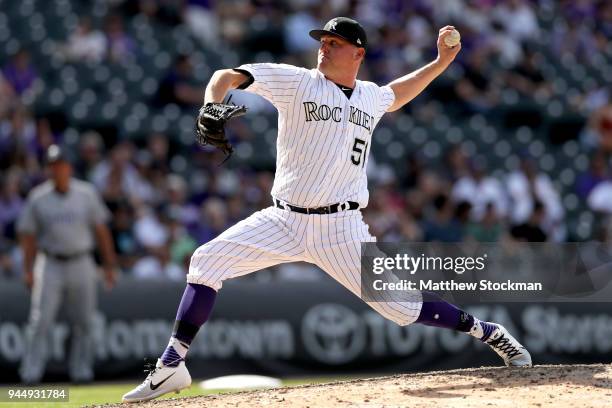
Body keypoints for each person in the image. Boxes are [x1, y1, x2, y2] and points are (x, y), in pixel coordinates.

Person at [123, 17, 531, 403]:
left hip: (342, 229)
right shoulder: (297, 82)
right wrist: (211, 104)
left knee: (403, 309)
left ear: (358, 53)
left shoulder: (371, 95)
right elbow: (225, 77)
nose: (324, 47)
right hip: (284, 219)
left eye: (335, 43)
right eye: (322, 41)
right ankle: (171, 365)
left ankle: (487, 331)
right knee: (205, 261)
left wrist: (441, 62)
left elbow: (398, 93)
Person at [17, 145, 118, 384]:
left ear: (69, 167)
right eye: (53, 165)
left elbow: (102, 231)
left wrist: (109, 266)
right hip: (50, 262)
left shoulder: (86, 193)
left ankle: (81, 372)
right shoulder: (38, 197)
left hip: (82, 260)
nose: (57, 169)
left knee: (84, 320)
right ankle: (30, 374)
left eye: (61, 164)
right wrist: (28, 269)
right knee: (40, 320)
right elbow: (28, 237)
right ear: (48, 169)